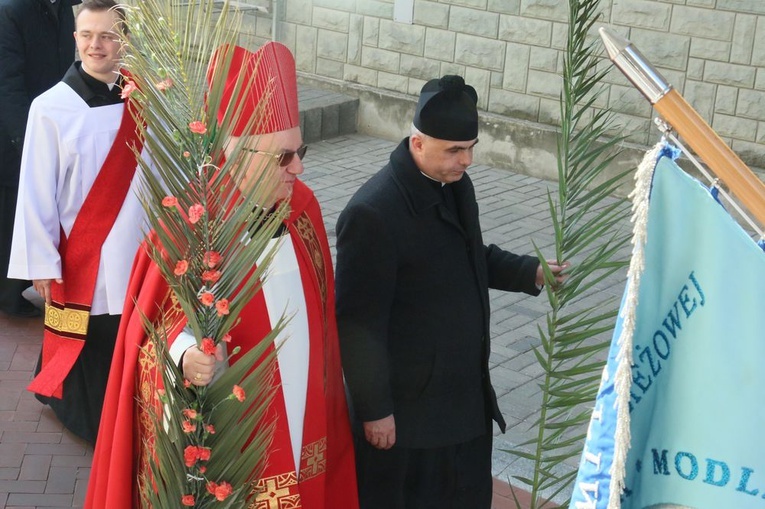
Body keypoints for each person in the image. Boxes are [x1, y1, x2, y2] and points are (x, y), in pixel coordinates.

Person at [86, 42, 358, 509]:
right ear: (236, 156)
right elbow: (148, 333)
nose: (300, 167)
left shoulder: (304, 209)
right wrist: (185, 353)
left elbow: (325, 325)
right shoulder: (192, 227)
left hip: (304, 422)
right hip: (237, 445)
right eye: (283, 158)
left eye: (300, 151)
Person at [335, 75, 568, 509]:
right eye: (456, 150)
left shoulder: (455, 184)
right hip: (409, 422)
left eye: (471, 147)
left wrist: (530, 272)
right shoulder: (371, 213)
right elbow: (356, 323)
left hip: (463, 403)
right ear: (418, 143)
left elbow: (466, 253)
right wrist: (374, 410)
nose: (468, 160)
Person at [7, 0, 145, 444]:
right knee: (89, 337)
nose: (96, 45)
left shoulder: (143, 99)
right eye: (86, 35)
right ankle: (90, 421)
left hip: (138, 249)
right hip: (84, 252)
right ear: (74, 38)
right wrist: (42, 261)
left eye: (106, 35)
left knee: (128, 333)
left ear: (122, 39)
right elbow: (35, 190)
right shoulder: (51, 107)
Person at [0, 0, 81, 317]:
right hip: (14, 130)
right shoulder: (12, 11)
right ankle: (8, 294)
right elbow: (7, 83)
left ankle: (14, 288)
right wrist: (26, 140)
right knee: (10, 211)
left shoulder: (62, 8)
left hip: (49, 123)